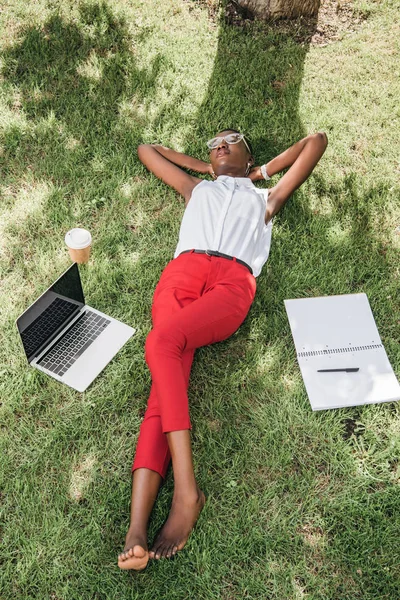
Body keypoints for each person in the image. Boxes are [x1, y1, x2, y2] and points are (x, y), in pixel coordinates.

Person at [117, 129, 328, 571]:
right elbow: (146, 150)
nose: (221, 144)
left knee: (161, 344)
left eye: (232, 139)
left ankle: (186, 489)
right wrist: (205, 169)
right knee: (164, 380)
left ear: (249, 153)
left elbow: (317, 141)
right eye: (214, 143)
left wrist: (260, 172)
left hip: (231, 283)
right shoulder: (196, 189)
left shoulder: (265, 198)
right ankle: (137, 527)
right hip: (181, 274)